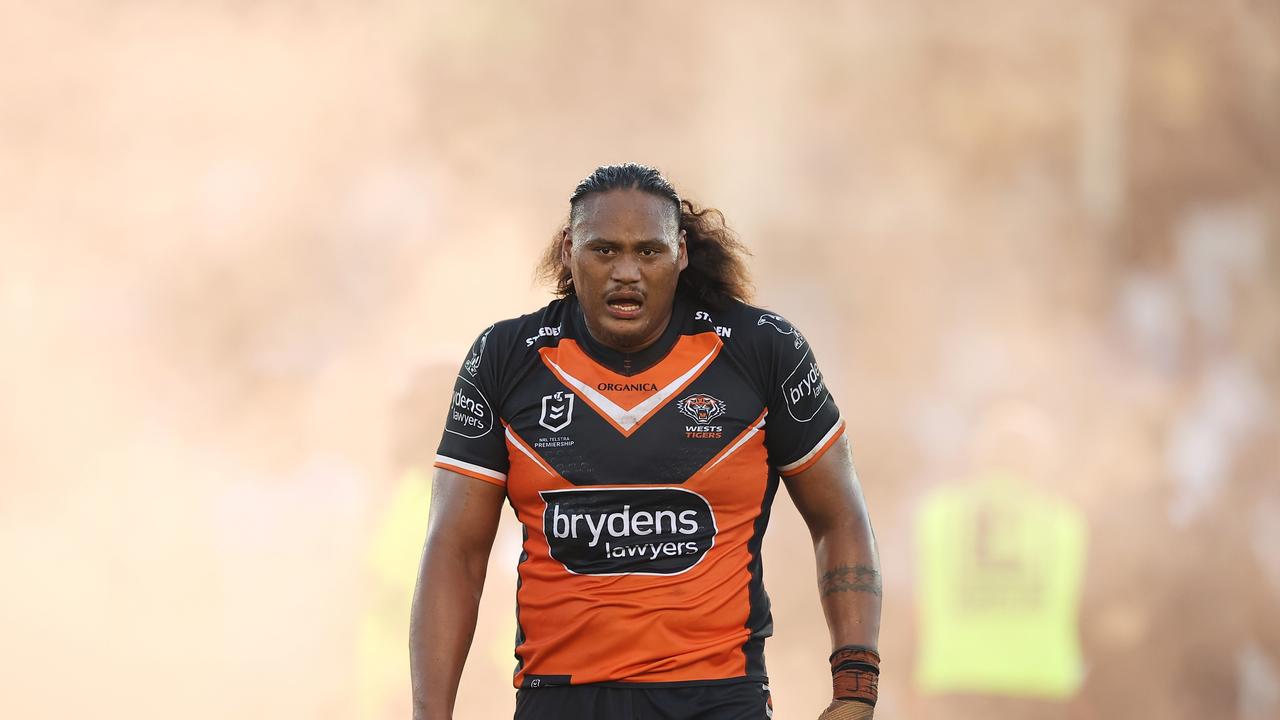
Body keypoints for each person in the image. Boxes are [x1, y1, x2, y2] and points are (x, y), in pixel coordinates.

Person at [410, 163, 882, 720]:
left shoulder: (763, 349)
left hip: (720, 697)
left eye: (649, 252)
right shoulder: (505, 357)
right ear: (568, 249)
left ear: (681, 252)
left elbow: (840, 515)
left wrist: (855, 689)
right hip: (560, 698)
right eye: (604, 251)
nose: (626, 273)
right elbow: (454, 550)